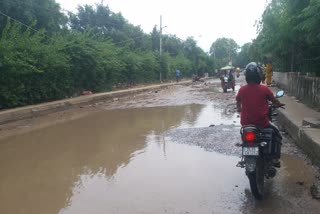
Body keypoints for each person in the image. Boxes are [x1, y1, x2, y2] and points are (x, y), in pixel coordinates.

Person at [236, 62, 285, 166]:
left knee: (244, 137)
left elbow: (238, 101)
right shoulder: (264, 89)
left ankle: (245, 158)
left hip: (246, 124)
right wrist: (279, 104)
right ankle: (274, 159)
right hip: (262, 123)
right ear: (259, 75)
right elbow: (274, 100)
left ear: (247, 76)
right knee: (277, 134)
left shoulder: (242, 89)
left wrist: (239, 109)